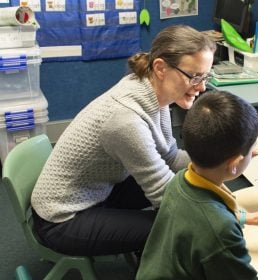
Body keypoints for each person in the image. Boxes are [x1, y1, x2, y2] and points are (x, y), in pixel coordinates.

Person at [30, 25, 217, 257]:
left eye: (205, 76)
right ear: (160, 67)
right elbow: (164, 194)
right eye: (194, 76)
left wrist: (221, 159)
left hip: (97, 190)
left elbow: (170, 158)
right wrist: (234, 214)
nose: (202, 87)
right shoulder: (126, 119)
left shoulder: (150, 90)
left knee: (186, 186)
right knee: (175, 227)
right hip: (62, 218)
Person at [136, 91, 258, 280]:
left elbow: (197, 222)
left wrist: (250, 218)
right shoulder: (220, 231)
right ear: (234, 165)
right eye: (252, 149)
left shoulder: (180, 180)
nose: (255, 151)